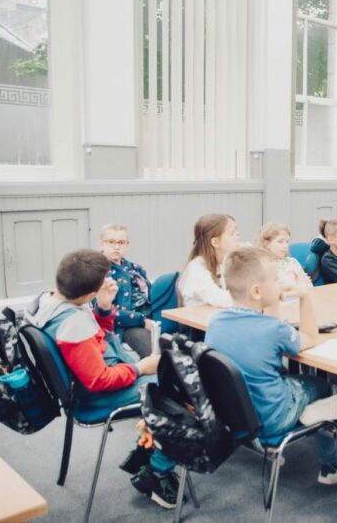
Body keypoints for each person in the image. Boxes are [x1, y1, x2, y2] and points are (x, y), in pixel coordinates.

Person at [24, 249, 180, 508]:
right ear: (88, 294)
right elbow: (98, 380)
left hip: (92, 381)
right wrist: (141, 368)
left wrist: (104, 307)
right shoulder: (72, 324)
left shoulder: (48, 302)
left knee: (170, 382)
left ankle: (149, 445)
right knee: (179, 391)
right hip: (99, 396)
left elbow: (94, 340)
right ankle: (157, 471)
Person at [205, 246, 337, 483]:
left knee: (284, 378)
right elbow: (310, 337)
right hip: (273, 418)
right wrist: (305, 296)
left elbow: (266, 327)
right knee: (322, 385)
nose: (280, 283)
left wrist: (273, 300)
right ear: (257, 291)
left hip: (234, 417)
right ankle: (331, 466)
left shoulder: (216, 322)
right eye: (276, 280)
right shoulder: (274, 330)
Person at [98, 223, 154, 358]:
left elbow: (150, 297)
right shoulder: (98, 271)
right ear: (101, 244)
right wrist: (142, 321)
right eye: (111, 242)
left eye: (121, 242)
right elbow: (103, 312)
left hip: (149, 318)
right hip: (125, 325)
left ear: (127, 245)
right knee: (153, 352)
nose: (116, 247)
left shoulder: (136, 269)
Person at [178, 214, 240, 307]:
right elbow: (220, 299)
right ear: (215, 242)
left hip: (215, 318)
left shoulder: (223, 264)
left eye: (237, 232)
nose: (238, 236)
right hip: (198, 320)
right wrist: (251, 297)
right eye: (232, 233)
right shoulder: (196, 270)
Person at [254, 222, 312, 297]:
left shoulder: (292, 262)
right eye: (280, 242)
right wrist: (298, 287)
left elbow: (308, 285)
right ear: (266, 244)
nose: (285, 246)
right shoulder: (263, 266)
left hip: (299, 302)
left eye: (287, 242)